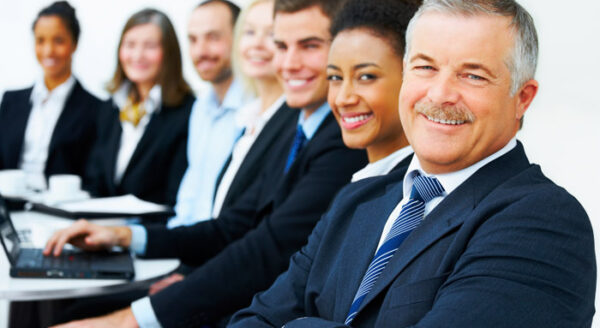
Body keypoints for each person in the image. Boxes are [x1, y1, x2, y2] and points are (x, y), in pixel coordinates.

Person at [229, 0, 596, 327]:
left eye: (473, 75)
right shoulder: (356, 201)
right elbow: (253, 318)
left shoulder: (544, 221)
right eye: (425, 67)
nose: (439, 94)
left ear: (523, 98)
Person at [47, 0, 367, 327]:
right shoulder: (293, 126)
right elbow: (234, 225)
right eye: (280, 45)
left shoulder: (337, 138)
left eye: (310, 45)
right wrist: (125, 236)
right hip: (224, 283)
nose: (287, 62)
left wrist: (138, 316)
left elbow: (267, 249)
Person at [84, 8, 194, 206]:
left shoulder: (188, 113)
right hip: (102, 225)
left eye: (150, 46)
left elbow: (174, 198)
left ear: (168, 53)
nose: (137, 55)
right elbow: (94, 178)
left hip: (151, 231)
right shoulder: (111, 107)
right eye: (130, 45)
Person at [166, 0, 256, 228]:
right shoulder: (200, 106)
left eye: (213, 37)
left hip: (222, 248)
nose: (200, 51)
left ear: (240, 39)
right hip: (188, 244)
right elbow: (191, 191)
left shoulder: (256, 109)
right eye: (193, 40)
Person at [0, 1, 101, 190]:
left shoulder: (96, 109)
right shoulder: (11, 101)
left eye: (58, 40)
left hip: (61, 210)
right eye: (40, 40)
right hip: (8, 206)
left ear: (74, 44)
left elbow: (94, 178)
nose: (48, 51)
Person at [326, 0, 413, 181]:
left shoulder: (413, 191)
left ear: (411, 75)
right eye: (335, 77)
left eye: (365, 77)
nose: (343, 98)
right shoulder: (368, 180)